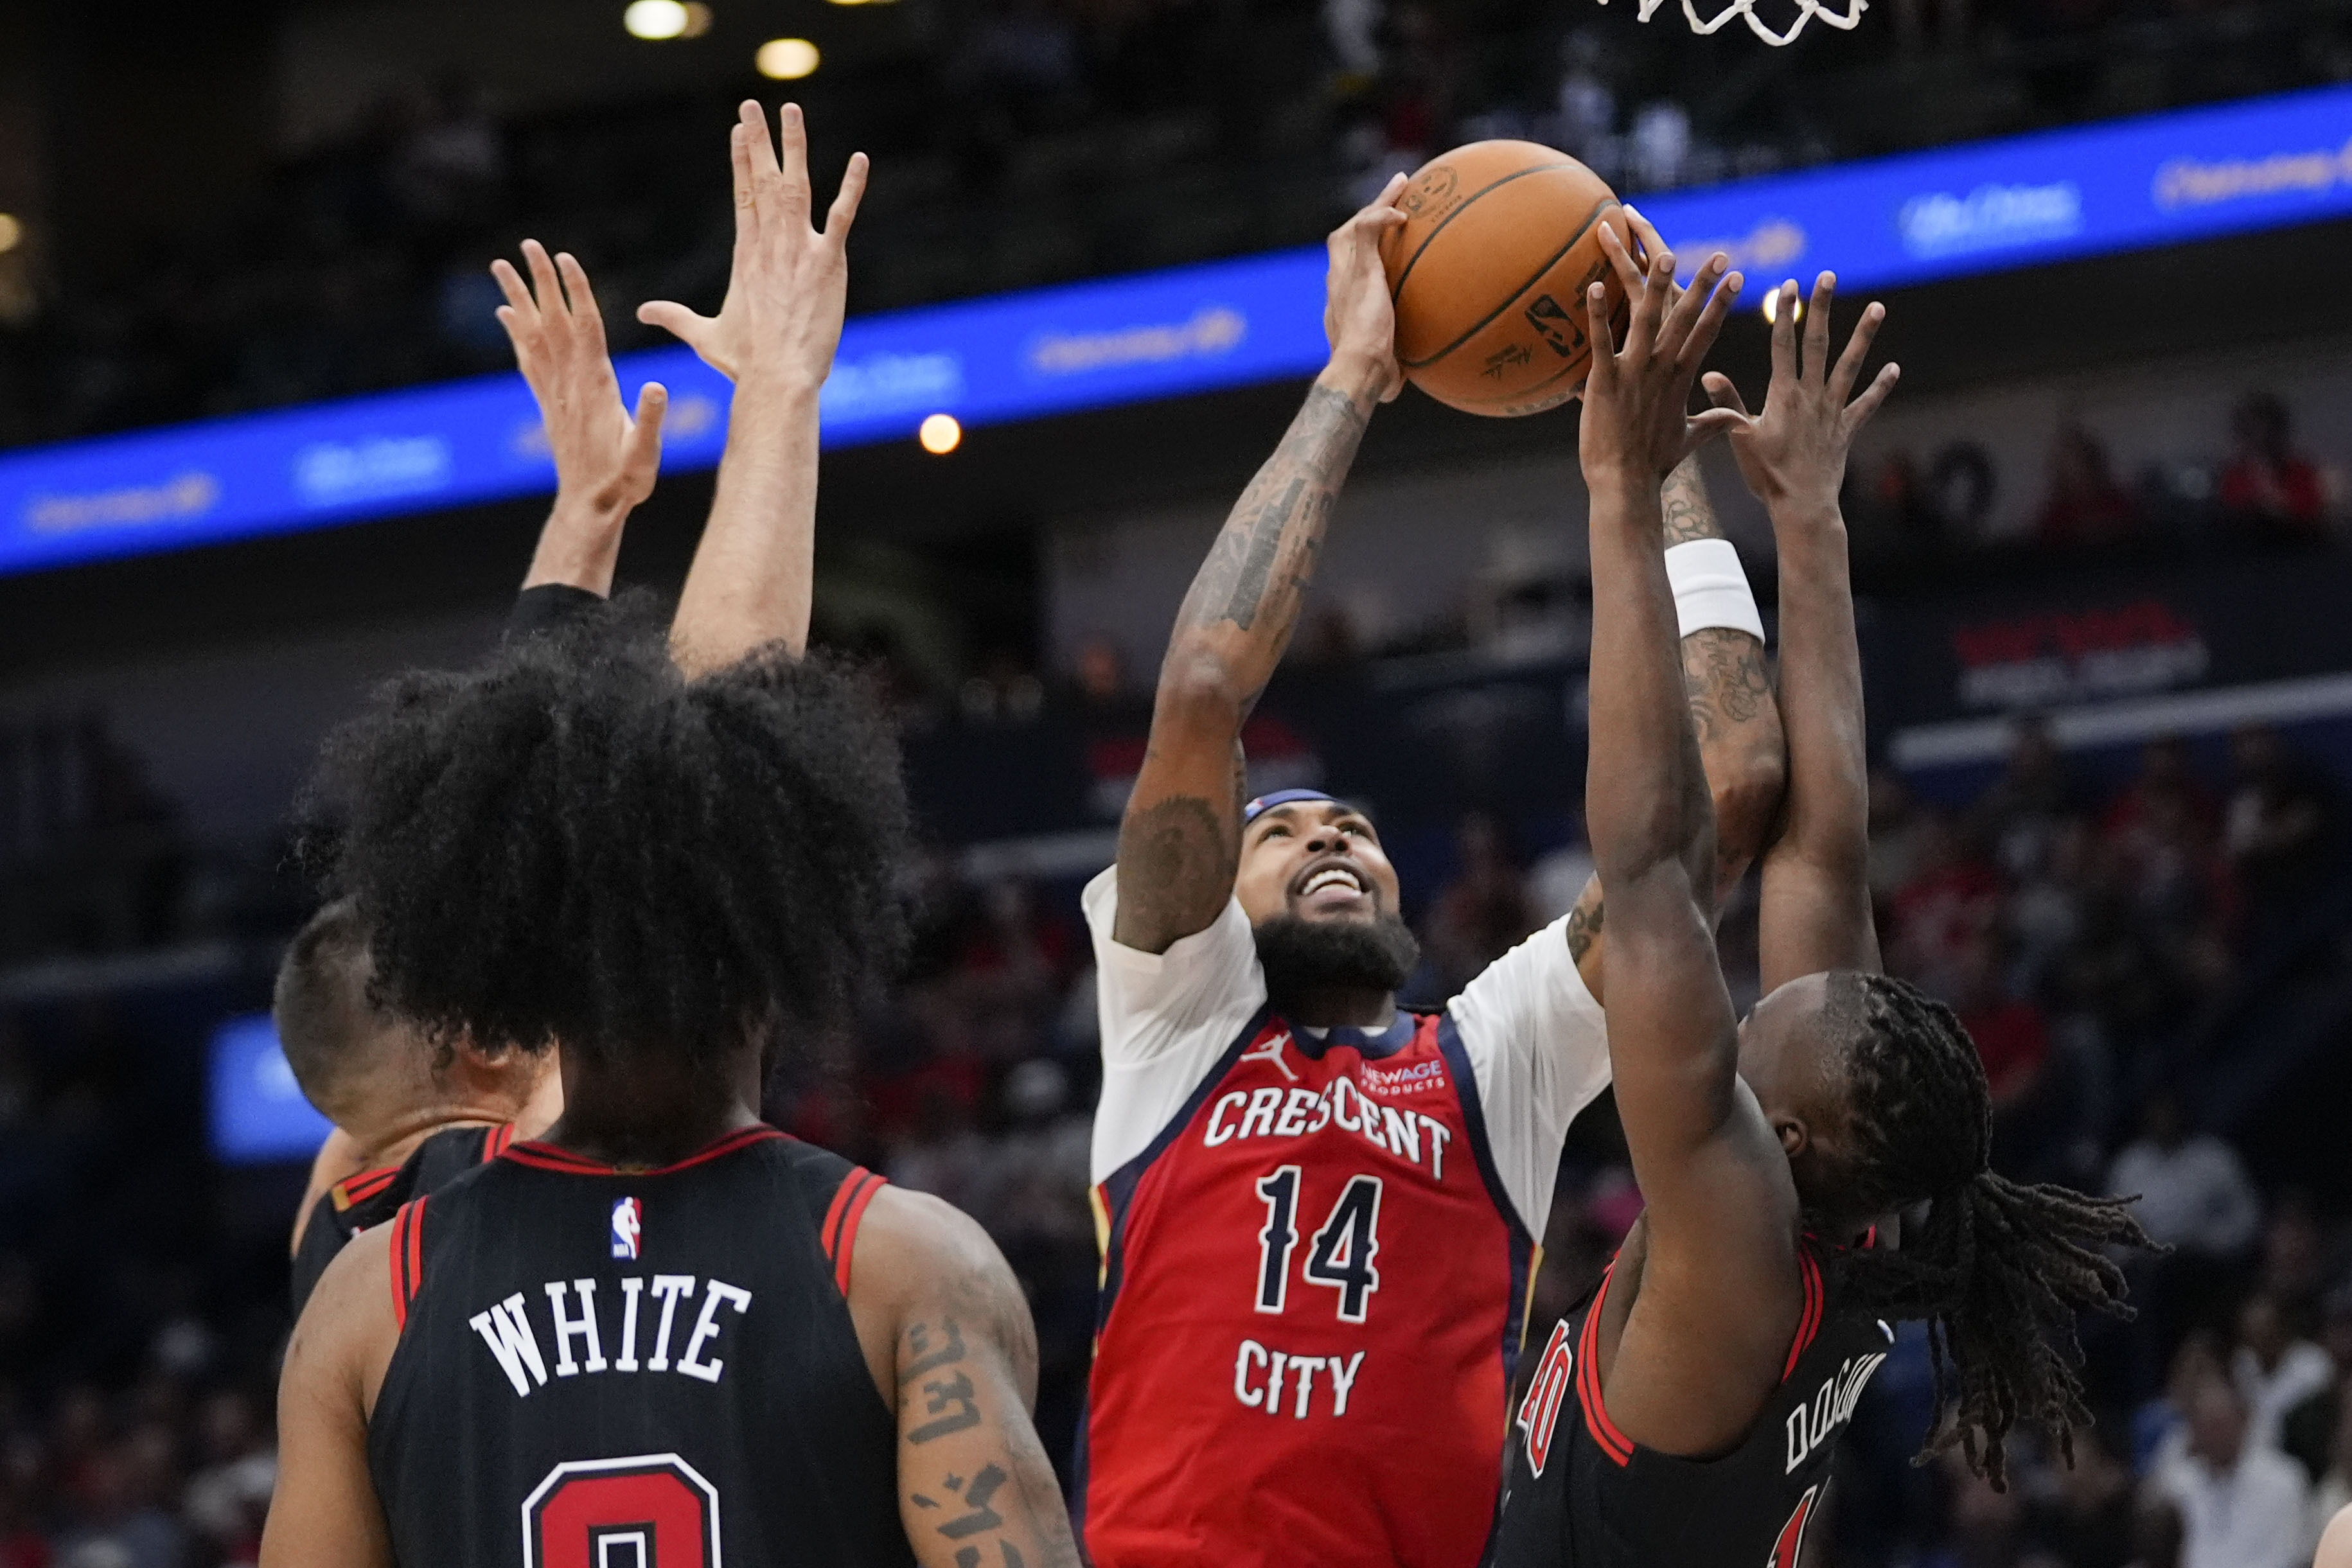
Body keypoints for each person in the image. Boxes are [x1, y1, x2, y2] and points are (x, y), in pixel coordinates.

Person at [259, 102, 1084, 1568]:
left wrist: (581, 531)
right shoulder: (897, 1256)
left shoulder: (361, 1278)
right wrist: (777, 394)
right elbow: (686, 768)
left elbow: (596, 804)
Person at [1074, 199, 1788, 1568]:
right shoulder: (1173, 1011)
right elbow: (1208, 688)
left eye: (1353, 824)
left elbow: (1736, 779)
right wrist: (1354, 369)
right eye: (1284, 831)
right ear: (1218, 887)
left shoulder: (1493, 1050)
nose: (1333, 837)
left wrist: (1644, 469)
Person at [1492, 252, 2149, 1567]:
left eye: (1781, 1013)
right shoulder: (1832, 1204)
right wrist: (1807, 520)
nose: (1772, 983)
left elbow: (1648, 865)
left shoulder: (1735, 1235)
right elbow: (1822, 848)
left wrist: (1624, 494)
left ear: (1779, 1129)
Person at [281, 230, 673, 1313]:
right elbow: (529, 809)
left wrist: (586, 510)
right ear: (476, 1044)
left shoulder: (327, 1221)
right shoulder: (527, 1149)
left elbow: (508, 805)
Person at [2154, 1375, 2309, 1568]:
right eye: (2206, 1425)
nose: (2214, 1435)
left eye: (2220, 1424)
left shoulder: (2284, 1479)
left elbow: (2292, 1555)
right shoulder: (2176, 1484)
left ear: (2243, 1423)